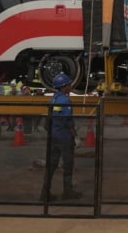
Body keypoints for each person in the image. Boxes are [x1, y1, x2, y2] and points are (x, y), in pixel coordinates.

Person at [40, 73, 82, 201]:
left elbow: (49, 120)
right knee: (67, 165)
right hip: (64, 138)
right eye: (69, 84)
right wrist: (75, 136)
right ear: (64, 86)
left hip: (54, 137)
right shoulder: (65, 100)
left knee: (51, 166)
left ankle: (45, 193)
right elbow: (67, 120)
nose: (71, 86)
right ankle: (67, 192)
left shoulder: (53, 99)